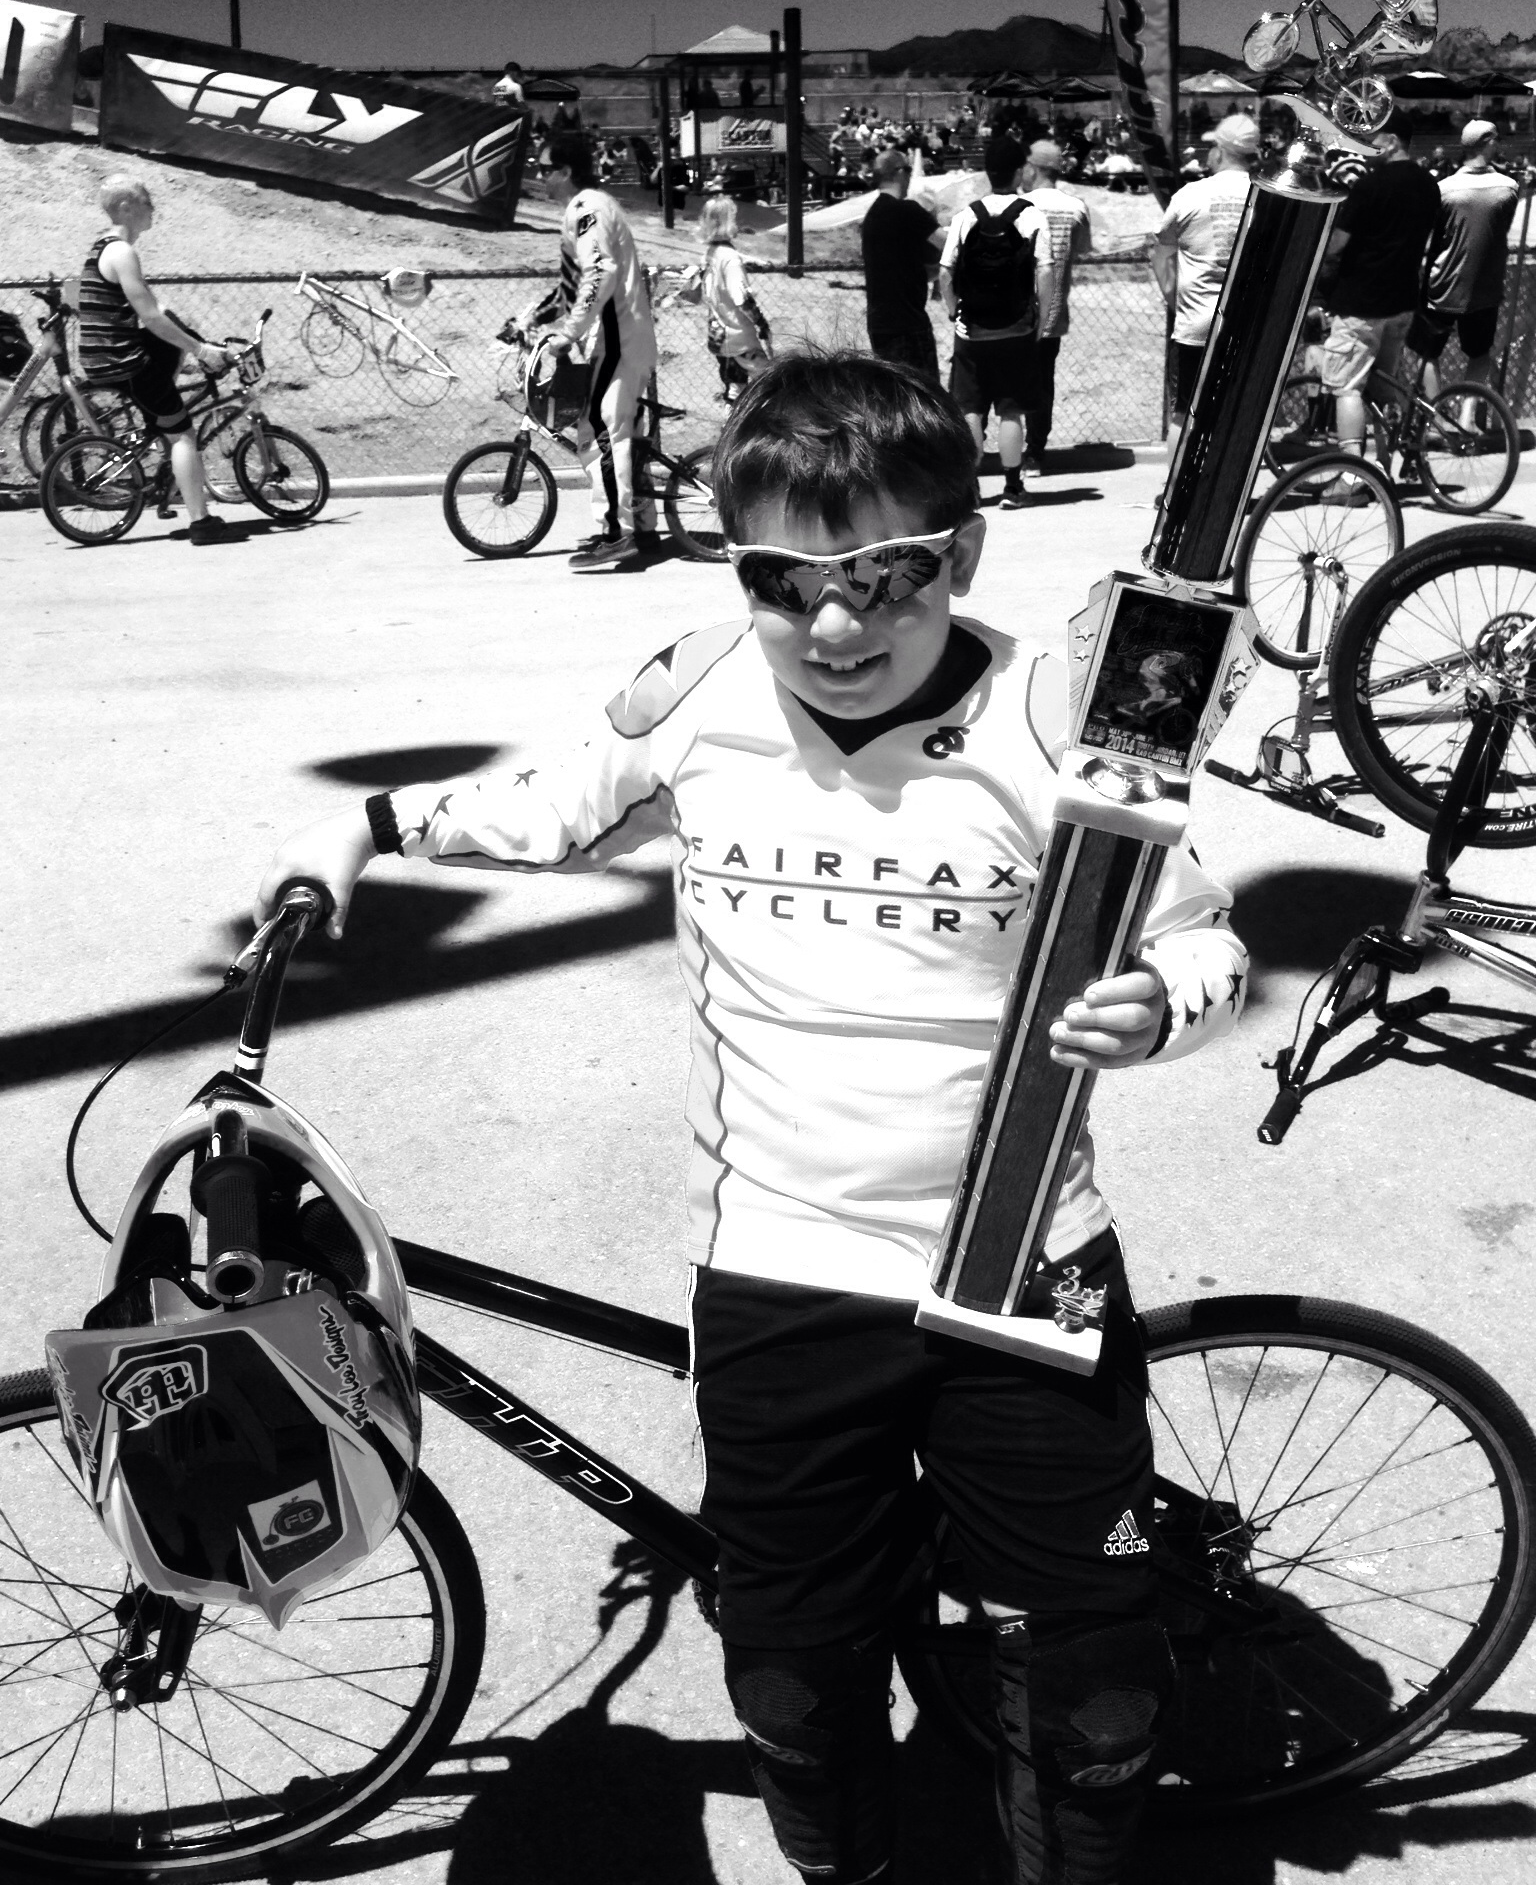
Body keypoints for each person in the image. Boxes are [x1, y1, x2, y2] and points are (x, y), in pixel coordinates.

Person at [254, 350, 1247, 1885]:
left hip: (1025, 1265)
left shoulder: (1067, 716)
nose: (834, 626)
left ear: (964, 554)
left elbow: (1206, 940)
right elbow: (544, 809)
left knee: (1095, 1694)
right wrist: (368, 828)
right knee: (793, 1685)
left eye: (885, 575)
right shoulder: (703, 696)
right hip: (782, 1280)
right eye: (783, 582)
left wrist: (1166, 1002)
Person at [76, 175, 233, 546]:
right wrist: (201, 351)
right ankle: (201, 523)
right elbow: (149, 316)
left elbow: (154, 309)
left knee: (170, 350)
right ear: (126, 208)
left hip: (108, 356)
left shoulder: (103, 247)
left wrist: (193, 338)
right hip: (124, 361)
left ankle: (163, 442)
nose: (153, 209)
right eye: (147, 202)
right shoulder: (121, 252)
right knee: (183, 435)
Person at [540, 132, 660, 572]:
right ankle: (642, 526)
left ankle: (616, 534)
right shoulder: (587, 208)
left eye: (544, 169)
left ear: (565, 171)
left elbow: (599, 274)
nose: (540, 177)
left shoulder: (587, 208)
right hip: (623, 336)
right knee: (626, 431)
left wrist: (569, 332)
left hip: (618, 336)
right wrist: (528, 320)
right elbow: (569, 288)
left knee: (602, 430)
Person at [1317, 106, 1441, 483]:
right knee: (1385, 384)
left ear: (1392, 141)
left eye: (1372, 140)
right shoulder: (1429, 184)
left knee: (1348, 388)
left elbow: (1337, 245)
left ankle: (1352, 478)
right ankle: (1393, 456)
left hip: (1361, 301)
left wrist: (1320, 269)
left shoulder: (1370, 185)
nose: (1367, 147)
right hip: (1402, 299)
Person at [940, 132, 1048, 510]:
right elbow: (1045, 272)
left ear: (988, 172)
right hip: (1017, 328)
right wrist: (1042, 318)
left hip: (972, 330)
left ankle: (971, 488)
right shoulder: (1031, 215)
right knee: (1010, 409)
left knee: (971, 407)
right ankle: (1013, 487)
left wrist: (953, 311)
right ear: (1018, 172)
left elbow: (945, 274)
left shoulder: (966, 216)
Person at [1150, 113, 1258, 440]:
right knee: (1239, 413)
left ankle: (1179, 476)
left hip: (1197, 323)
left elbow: (1162, 255)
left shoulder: (1191, 195)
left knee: (1184, 414)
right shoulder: (1266, 196)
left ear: (1220, 152)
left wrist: (1175, 302)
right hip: (1248, 324)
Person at [1412, 118, 1520, 407]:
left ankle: (1435, 415)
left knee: (1428, 353)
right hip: (1484, 287)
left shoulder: (1443, 188)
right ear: (1488, 143)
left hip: (1442, 285)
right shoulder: (1508, 188)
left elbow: (1431, 235)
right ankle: (1466, 417)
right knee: (1479, 354)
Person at [1019, 139, 1092, 472]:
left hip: (1017, 310)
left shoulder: (1019, 205)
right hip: (1053, 311)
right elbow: (1083, 248)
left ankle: (1004, 457)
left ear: (1033, 168)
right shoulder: (1075, 207)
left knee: (1007, 386)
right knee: (1042, 383)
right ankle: (1035, 451)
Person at [675, 193, 773, 399]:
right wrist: (761, 323)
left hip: (719, 338)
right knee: (771, 386)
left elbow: (727, 261)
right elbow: (741, 299)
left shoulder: (710, 254)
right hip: (740, 338)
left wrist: (752, 261)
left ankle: (732, 415)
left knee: (735, 389)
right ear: (727, 222)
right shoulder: (731, 259)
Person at [859, 147, 943, 381]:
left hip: (879, 325)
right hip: (909, 324)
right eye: (907, 170)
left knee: (892, 395)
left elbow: (896, 271)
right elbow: (948, 244)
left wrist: (932, 273)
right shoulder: (908, 211)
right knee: (925, 394)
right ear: (899, 172)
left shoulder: (872, 216)